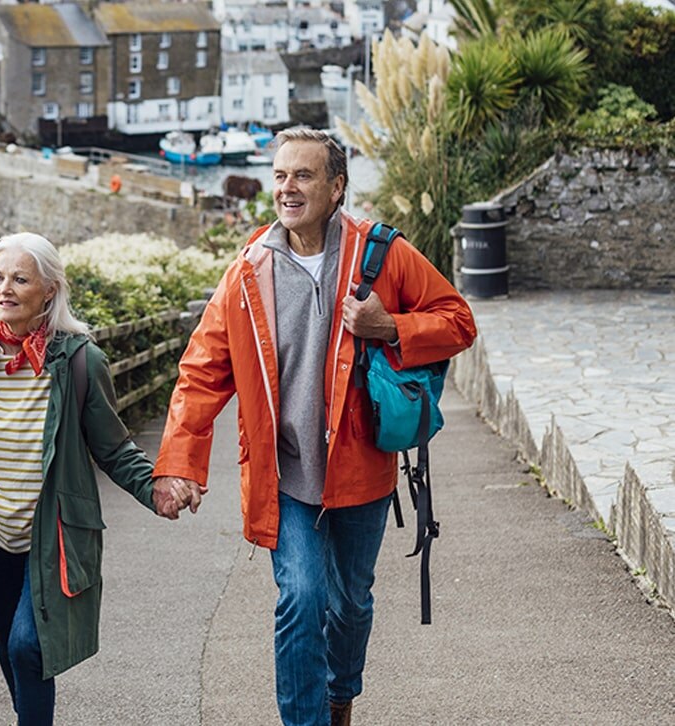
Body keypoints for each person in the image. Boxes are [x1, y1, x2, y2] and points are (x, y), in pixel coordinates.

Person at [153, 127, 477, 726]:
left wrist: (391, 328)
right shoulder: (248, 271)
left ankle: (340, 694)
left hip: (361, 469)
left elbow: (458, 321)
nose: (287, 188)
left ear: (337, 187)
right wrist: (177, 465)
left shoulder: (382, 255)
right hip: (286, 474)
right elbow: (201, 372)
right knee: (300, 599)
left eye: (303, 176)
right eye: (279, 176)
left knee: (350, 603)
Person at [0, 232, 197, 725]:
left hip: (49, 538)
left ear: (49, 290)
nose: (4, 289)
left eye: (20, 279)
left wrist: (155, 487)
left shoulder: (79, 362)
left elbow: (112, 447)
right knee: (9, 644)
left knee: (30, 648)